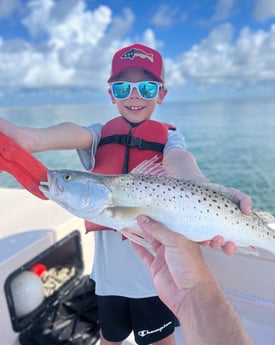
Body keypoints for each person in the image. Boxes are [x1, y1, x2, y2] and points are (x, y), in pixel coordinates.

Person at [0, 43, 252, 345]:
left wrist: (205, 185)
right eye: (123, 88)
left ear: (161, 94)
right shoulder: (97, 135)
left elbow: (180, 162)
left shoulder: (170, 138)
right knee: (109, 339)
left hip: (154, 281)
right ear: (111, 94)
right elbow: (71, 131)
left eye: (146, 88)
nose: (134, 95)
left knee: (160, 342)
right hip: (107, 281)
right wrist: (30, 138)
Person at [132, 215, 254, 345]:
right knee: (111, 336)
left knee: (161, 338)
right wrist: (192, 292)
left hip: (151, 284)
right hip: (120, 282)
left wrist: (192, 291)